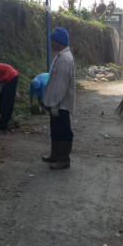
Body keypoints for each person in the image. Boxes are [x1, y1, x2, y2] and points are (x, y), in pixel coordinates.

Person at [42, 27, 76, 169]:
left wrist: (55, 103)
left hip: (61, 103)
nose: (51, 43)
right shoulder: (60, 56)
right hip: (57, 102)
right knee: (55, 128)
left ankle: (64, 159)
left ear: (59, 42)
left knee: (63, 130)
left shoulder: (64, 60)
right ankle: (55, 154)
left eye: (53, 40)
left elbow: (61, 85)